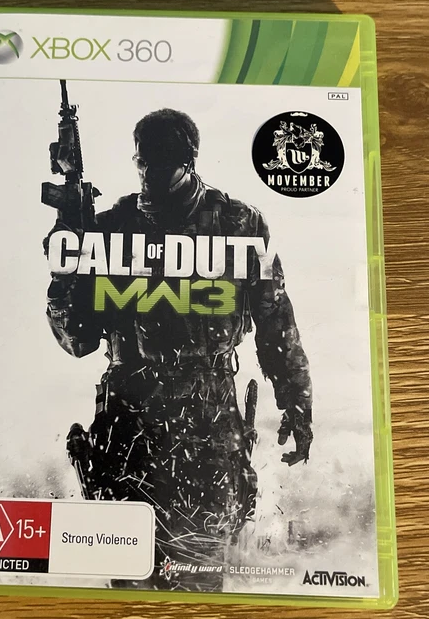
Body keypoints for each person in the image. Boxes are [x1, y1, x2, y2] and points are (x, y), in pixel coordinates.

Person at [44, 109, 313, 591]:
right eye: (146, 159)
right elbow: (78, 340)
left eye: (166, 159)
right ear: (136, 160)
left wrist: (297, 402)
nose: (153, 171)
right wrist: (65, 264)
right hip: (131, 421)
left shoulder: (239, 224)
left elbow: (276, 322)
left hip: (207, 424)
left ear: (190, 159)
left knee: (199, 577)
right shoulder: (109, 227)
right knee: (131, 579)